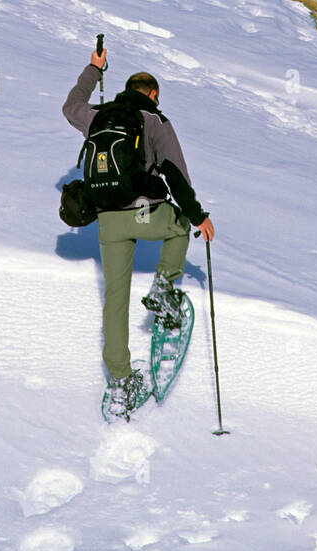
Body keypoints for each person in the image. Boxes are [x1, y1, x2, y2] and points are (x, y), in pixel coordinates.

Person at [62, 44, 215, 415]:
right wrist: (197, 216)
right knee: (177, 228)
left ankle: (119, 382)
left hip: (107, 220)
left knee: (115, 299)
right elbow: (176, 174)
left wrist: (93, 69)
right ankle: (163, 290)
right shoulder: (154, 121)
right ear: (154, 93)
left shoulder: (98, 116)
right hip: (144, 211)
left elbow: (70, 107)